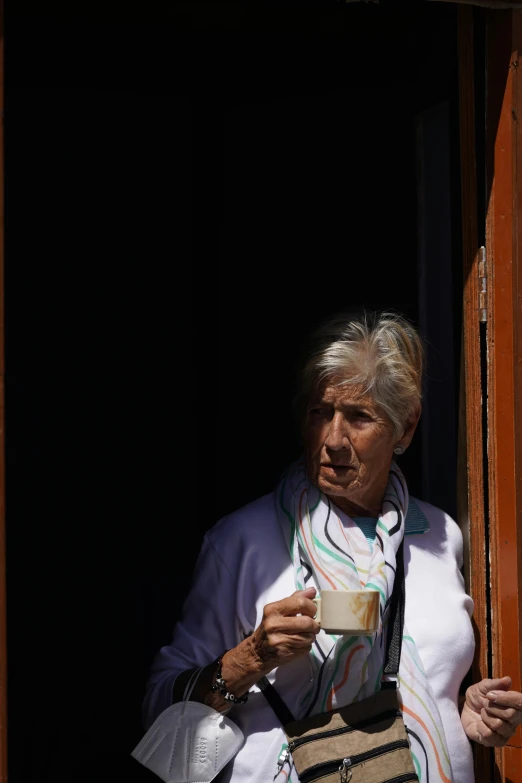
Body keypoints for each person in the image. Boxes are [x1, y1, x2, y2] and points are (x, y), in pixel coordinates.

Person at [143, 310, 522, 783]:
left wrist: (470, 714)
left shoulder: (439, 536)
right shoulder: (242, 542)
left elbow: (434, 685)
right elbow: (162, 708)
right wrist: (251, 657)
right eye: (320, 412)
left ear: (405, 427)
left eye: (359, 416)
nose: (333, 439)